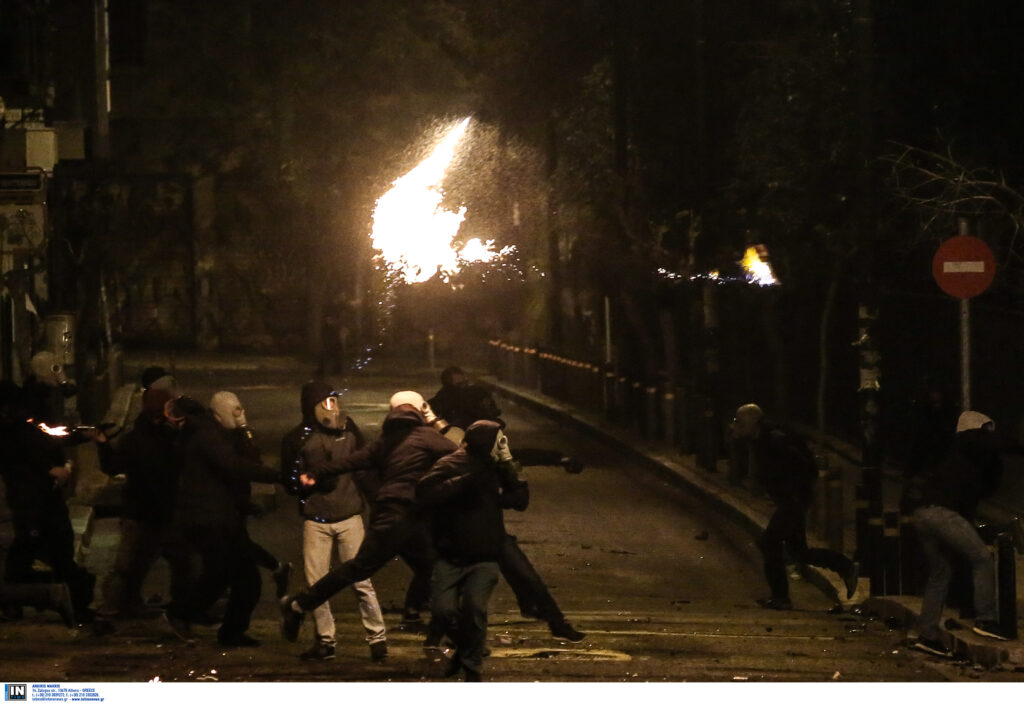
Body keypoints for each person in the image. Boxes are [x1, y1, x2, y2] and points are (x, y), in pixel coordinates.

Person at [279, 390, 457, 644]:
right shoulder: (425, 435)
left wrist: (317, 472)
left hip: (392, 514)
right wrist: (434, 420)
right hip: (407, 515)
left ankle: (453, 634)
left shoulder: (384, 441)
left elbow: (351, 461)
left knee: (412, 568)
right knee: (431, 569)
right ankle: (299, 604)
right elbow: (460, 452)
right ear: (419, 409)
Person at [427, 366, 586, 641]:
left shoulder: (485, 440)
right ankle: (438, 632)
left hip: (487, 528)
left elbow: (513, 462)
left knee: (522, 573)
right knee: (455, 585)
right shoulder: (453, 443)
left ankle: (554, 620)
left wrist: (554, 461)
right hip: (459, 529)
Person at [280, 381, 388, 662]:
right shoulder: (297, 438)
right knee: (317, 585)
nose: (333, 408)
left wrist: (375, 500)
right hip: (316, 519)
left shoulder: (350, 429)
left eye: (334, 401)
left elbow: (365, 465)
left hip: (350, 516)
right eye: (325, 403)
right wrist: (306, 483)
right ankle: (326, 641)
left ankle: (377, 638)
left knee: (361, 580)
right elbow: (290, 481)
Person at [162, 396, 282, 647]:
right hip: (207, 518)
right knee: (222, 573)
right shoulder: (207, 436)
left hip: (222, 516)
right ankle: (180, 613)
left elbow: (244, 463)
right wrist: (277, 476)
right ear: (221, 413)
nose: (240, 415)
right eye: (235, 411)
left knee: (246, 578)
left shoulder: (221, 435)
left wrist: (244, 430)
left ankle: (231, 632)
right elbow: (235, 467)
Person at [416, 420, 529, 682]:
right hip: (450, 555)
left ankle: (471, 669)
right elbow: (425, 494)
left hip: (484, 556)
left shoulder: (497, 470)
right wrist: (465, 483)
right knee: (443, 610)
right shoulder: (450, 464)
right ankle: (465, 651)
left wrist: (510, 465)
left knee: (475, 609)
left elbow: (520, 500)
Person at [907, 410, 1024, 657]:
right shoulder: (967, 441)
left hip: (924, 514)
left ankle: (927, 635)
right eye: (986, 430)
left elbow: (981, 491)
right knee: (982, 558)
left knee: (941, 573)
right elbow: (988, 443)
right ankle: (986, 619)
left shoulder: (964, 459)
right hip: (942, 514)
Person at [732, 404, 858, 610]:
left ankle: (781, 597)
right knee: (798, 551)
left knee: (769, 542)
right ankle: (843, 565)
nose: (736, 425)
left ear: (753, 422)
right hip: (789, 500)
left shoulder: (775, 440)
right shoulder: (759, 439)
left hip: (793, 500)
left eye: (740, 422)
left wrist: (793, 493)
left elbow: (801, 465)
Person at [91, 387, 191, 629]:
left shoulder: (138, 437)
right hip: (151, 511)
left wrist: (103, 444)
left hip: (145, 510)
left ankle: (122, 606)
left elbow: (113, 466)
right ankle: (113, 608)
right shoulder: (160, 438)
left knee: (139, 562)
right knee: (135, 563)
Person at [0, 380, 95, 623]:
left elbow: (50, 437)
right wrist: (50, 469)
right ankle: (55, 595)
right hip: (32, 501)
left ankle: (64, 596)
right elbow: (29, 451)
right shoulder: (16, 429)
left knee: (39, 551)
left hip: (39, 499)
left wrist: (80, 437)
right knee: (31, 551)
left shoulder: (24, 425)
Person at [209, 391, 292, 600]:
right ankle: (275, 567)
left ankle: (275, 568)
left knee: (237, 546)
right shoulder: (213, 438)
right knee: (236, 548)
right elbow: (240, 467)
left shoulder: (236, 435)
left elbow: (253, 458)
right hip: (222, 503)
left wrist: (244, 427)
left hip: (234, 501)